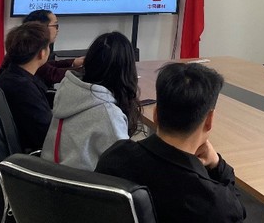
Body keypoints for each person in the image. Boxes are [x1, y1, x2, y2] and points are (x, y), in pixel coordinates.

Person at [96, 63, 246, 223]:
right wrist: (218, 165)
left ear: (156, 114)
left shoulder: (114, 157)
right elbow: (235, 208)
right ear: (209, 120)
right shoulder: (215, 204)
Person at [41, 32, 141, 170]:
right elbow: (125, 167)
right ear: (127, 70)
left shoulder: (68, 89)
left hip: (49, 174)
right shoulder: (108, 113)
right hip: (80, 181)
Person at [0, 23, 53, 152]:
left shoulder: (12, 74)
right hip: (38, 153)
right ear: (42, 53)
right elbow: (47, 136)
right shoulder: (23, 89)